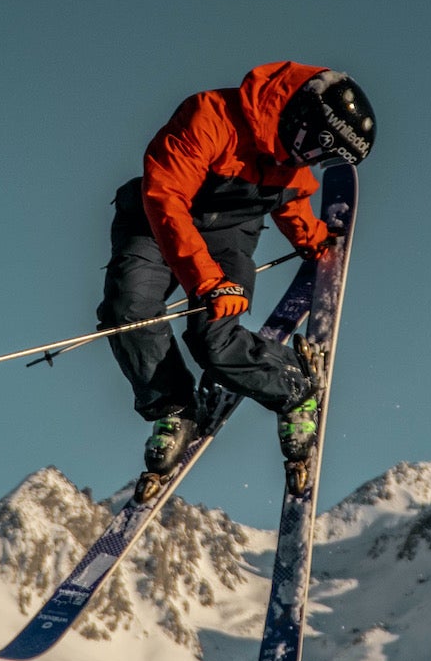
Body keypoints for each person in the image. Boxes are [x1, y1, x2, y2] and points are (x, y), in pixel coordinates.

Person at [98, 62, 376, 481]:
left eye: (324, 155)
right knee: (129, 308)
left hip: (228, 234)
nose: (312, 158)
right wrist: (209, 281)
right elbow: (166, 198)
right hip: (155, 222)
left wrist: (309, 237)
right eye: (316, 146)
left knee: (214, 337)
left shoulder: (293, 153)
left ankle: (294, 389)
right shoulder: (209, 117)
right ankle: (172, 407)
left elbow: (287, 195)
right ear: (301, 114)